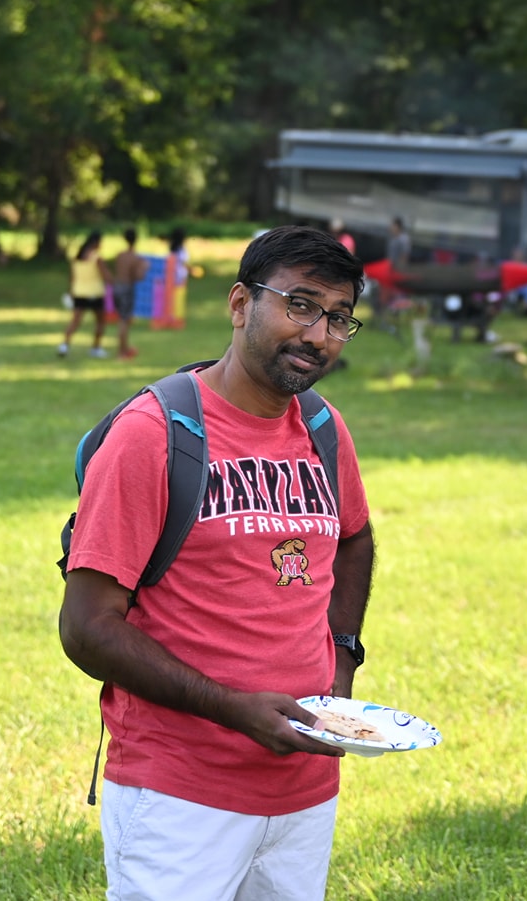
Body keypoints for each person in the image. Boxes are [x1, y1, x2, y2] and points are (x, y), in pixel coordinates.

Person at [59, 226, 376, 901]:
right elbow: (86, 626)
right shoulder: (154, 434)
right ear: (239, 304)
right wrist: (230, 708)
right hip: (180, 789)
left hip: (303, 789)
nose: (317, 333)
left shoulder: (323, 427)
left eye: (338, 317)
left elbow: (354, 536)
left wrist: (342, 656)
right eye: (298, 303)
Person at [61, 231, 112, 358]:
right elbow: (106, 276)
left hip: (79, 292)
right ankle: (96, 347)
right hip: (95, 292)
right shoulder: (96, 258)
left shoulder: (77, 258)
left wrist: (71, 292)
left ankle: (64, 345)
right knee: (100, 322)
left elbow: (72, 278)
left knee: (75, 321)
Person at [110, 229, 151, 360]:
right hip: (127, 289)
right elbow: (137, 277)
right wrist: (144, 268)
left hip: (116, 287)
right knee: (124, 321)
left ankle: (125, 348)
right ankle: (121, 352)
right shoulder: (136, 258)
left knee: (122, 319)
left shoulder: (120, 255)